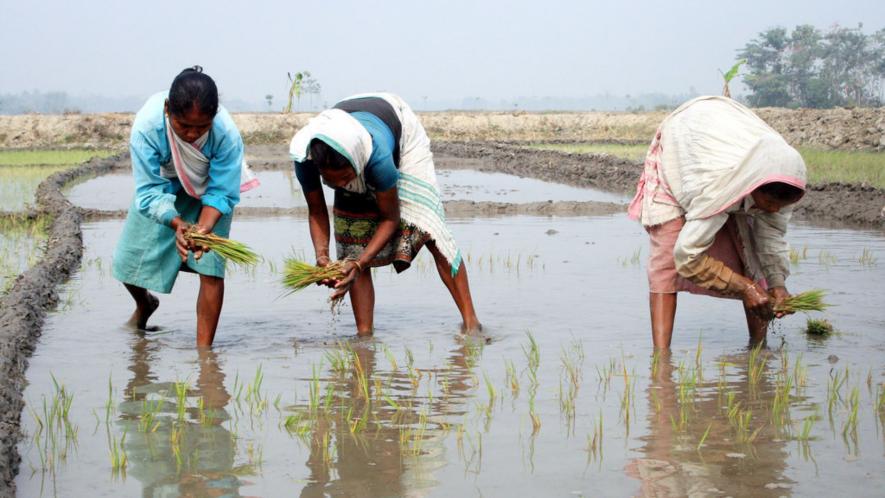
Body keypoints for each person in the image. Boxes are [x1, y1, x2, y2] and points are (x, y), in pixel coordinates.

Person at [289, 92, 480, 335]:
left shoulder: (378, 158)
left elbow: (390, 218)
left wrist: (360, 263)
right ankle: (364, 337)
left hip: (400, 130)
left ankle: (471, 323)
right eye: (331, 181)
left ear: (356, 164)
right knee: (351, 245)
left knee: (431, 230)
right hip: (347, 126)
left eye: (346, 178)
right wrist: (323, 257)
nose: (340, 186)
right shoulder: (306, 159)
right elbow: (316, 210)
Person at [628, 96, 807, 349]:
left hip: (724, 138)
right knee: (667, 256)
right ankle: (661, 361)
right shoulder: (715, 184)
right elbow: (686, 256)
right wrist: (745, 287)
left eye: (781, 206)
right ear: (754, 185)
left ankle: (758, 351)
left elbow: (771, 239)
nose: (775, 210)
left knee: (752, 255)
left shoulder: (782, 176)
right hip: (685, 144)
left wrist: (778, 285)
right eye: (769, 203)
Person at [112, 66, 256, 346]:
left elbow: (221, 191)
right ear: (168, 110)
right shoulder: (147, 127)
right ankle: (145, 305)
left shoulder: (226, 134)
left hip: (208, 192)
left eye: (201, 127)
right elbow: (149, 190)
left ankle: (204, 353)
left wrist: (201, 229)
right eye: (183, 126)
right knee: (128, 261)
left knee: (210, 268)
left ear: (214, 117)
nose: (192, 134)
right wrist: (176, 223)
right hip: (163, 186)